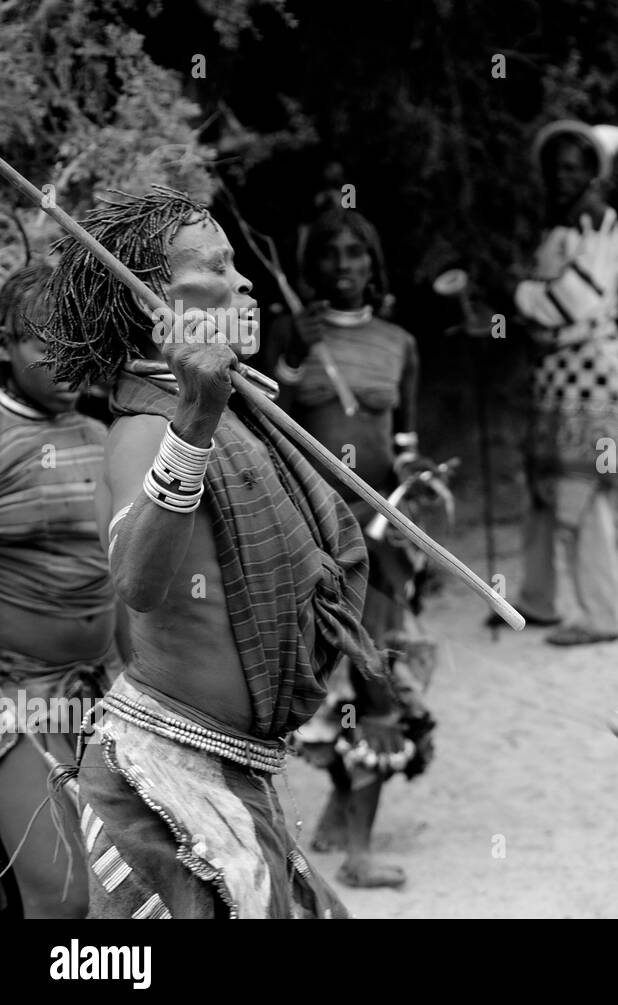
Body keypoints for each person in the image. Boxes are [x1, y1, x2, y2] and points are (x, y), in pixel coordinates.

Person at [41, 187, 384, 918]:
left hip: (234, 770)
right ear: (153, 300)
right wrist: (193, 421)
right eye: (218, 269)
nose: (245, 285)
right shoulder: (147, 430)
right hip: (167, 784)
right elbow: (135, 578)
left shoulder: (242, 416)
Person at [270, 208, 436, 890]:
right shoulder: (289, 333)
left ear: (374, 264)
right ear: (313, 269)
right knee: (322, 674)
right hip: (308, 533)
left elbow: (406, 444)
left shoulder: (399, 341)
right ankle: (341, 796)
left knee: (376, 669)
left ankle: (360, 847)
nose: (345, 266)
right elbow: (264, 416)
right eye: (332, 255)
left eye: (357, 255)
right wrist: (287, 347)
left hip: (381, 533)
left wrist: (421, 490)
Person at [0, 264, 115, 918]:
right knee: (63, 892)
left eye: (79, 340)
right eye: (45, 340)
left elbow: (121, 574)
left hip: (99, 701)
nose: (68, 360)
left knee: (117, 882)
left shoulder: (102, 436)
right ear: (3, 344)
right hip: (17, 703)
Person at [505, 119, 618, 646]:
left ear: (593, 174)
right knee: (544, 485)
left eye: (574, 167)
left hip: (591, 374)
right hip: (556, 374)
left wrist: (514, 296)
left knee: (584, 489)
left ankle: (601, 616)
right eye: (555, 167)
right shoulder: (564, 225)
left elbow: (575, 300)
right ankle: (539, 599)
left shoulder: (599, 223)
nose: (562, 176)